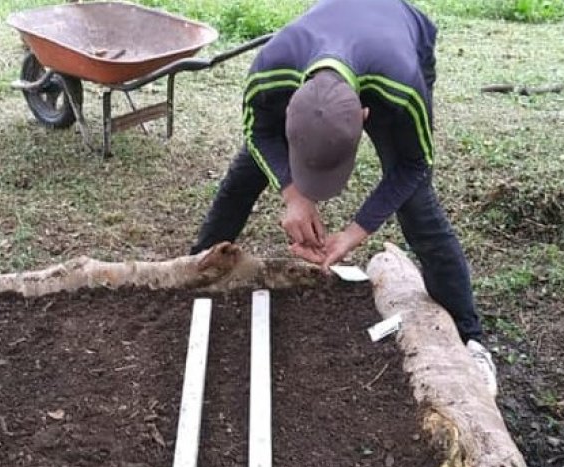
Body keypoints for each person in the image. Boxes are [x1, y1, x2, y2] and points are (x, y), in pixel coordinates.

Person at [190, 0, 497, 393]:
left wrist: (355, 232)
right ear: (289, 112)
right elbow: (257, 133)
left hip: (397, 35)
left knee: (417, 206)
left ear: (366, 116)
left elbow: (415, 164)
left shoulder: (401, 89)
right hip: (330, 47)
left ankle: (470, 338)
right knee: (243, 177)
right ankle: (192, 273)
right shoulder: (270, 72)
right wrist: (293, 193)